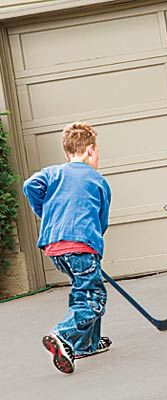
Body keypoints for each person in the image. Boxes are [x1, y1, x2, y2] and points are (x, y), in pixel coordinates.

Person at [23, 122, 112, 374]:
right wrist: (92, 246)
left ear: (67, 153)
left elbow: (29, 186)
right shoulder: (97, 181)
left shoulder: (52, 173)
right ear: (91, 150)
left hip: (54, 248)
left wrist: (47, 213)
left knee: (84, 291)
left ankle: (87, 344)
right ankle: (62, 336)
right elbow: (101, 221)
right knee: (94, 300)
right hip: (81, 247)